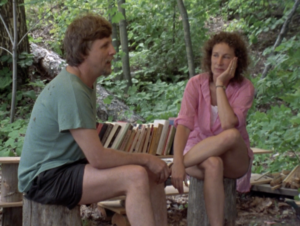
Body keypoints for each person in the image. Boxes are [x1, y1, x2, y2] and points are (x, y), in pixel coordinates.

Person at [18, 13, 170, 226]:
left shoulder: (84, 84)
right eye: (104, 46)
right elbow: (98, 158)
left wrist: (147, 162)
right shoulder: (71, 90)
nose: (113, 51)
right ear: (83, 52)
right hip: (44, 179)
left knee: (151, 174)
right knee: (135, 176)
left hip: (66, 166)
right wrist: (145, 157)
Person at [171, 31, 255, 226]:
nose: (219, 62)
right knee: (213, 163)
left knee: (232, 134)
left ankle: (175, 166)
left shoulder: (245, 87)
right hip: (200, 154)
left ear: (236, 60)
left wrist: (220, 85)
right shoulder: (195, 83)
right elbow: (183, 126)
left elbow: (228, 124)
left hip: (234, 158)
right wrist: (177, 159)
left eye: (226, 57)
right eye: (215, 55)